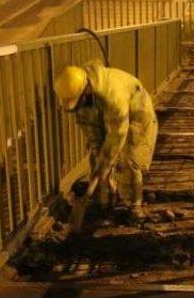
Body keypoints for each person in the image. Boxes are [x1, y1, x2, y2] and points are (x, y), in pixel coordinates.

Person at [53, 59, 158, 221]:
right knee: (98, 157)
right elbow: (89, 127)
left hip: (136, 111)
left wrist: (106, 161)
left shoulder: (113, 95)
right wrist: (97, 151)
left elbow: (118, 135)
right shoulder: (82, 97)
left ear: (85, 91)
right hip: (105, 112)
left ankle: (135, 206)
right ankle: (107, 200)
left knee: (128, 158)